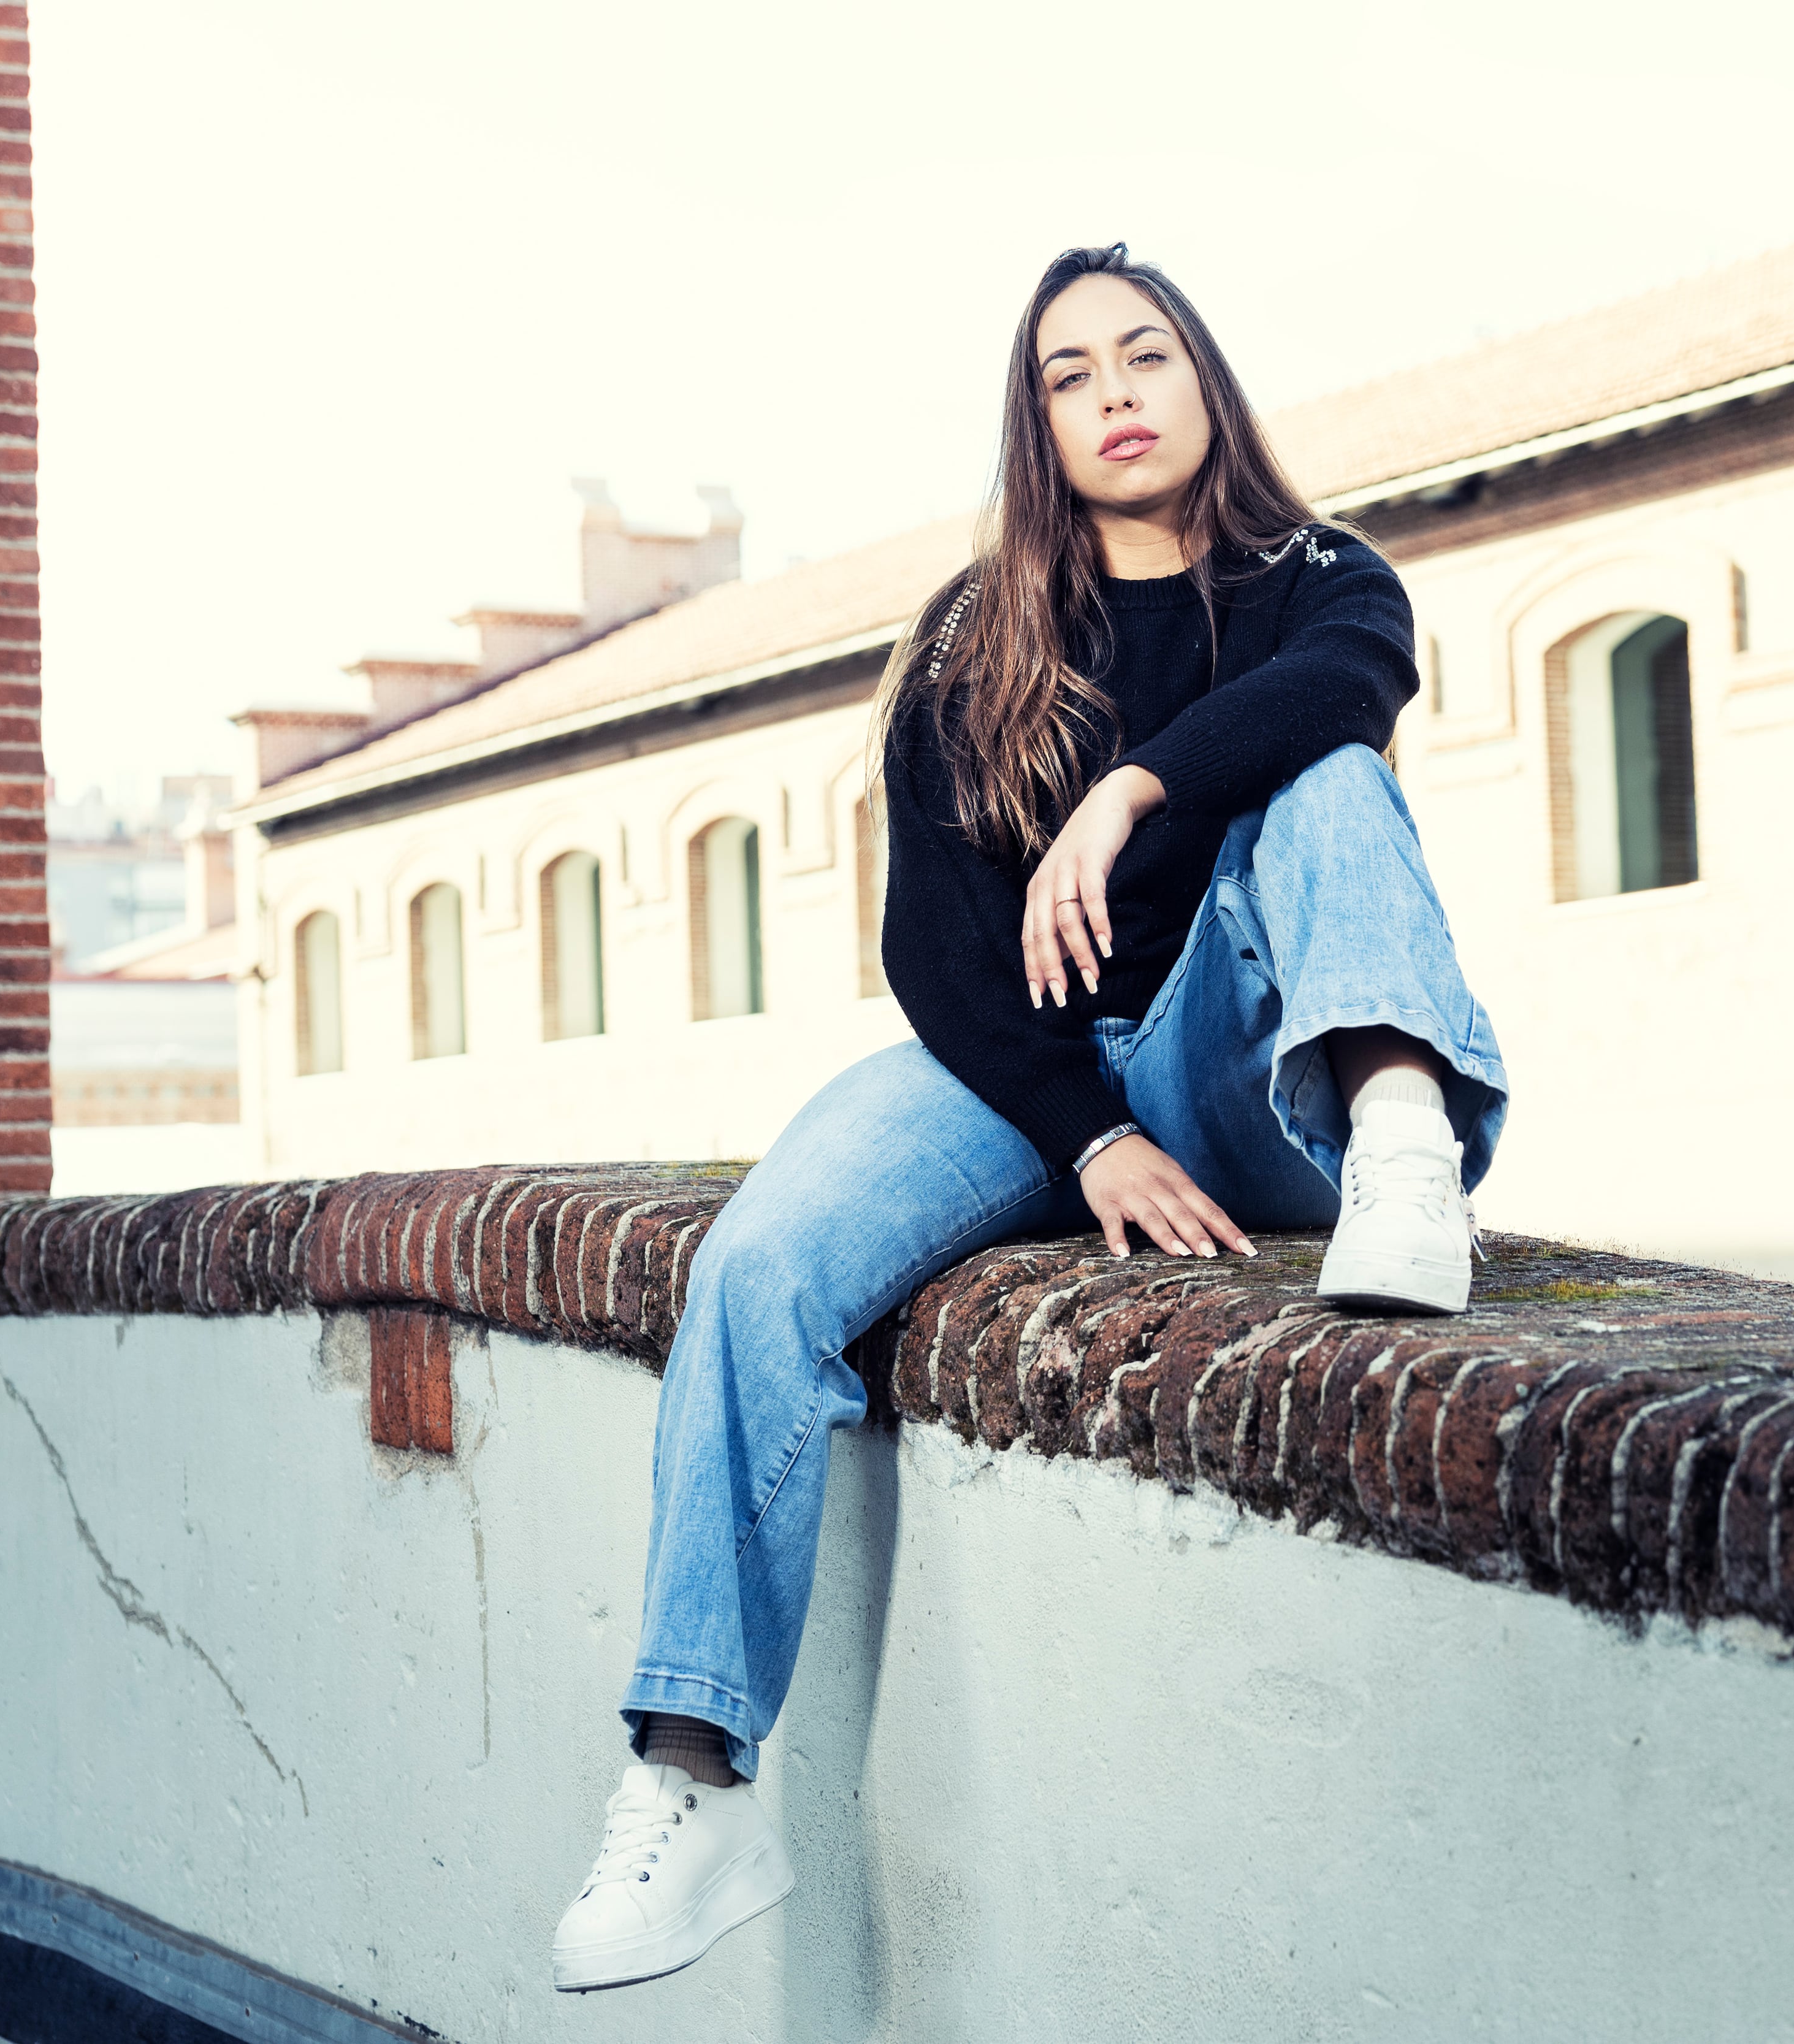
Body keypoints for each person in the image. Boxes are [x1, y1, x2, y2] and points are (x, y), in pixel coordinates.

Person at [549, 243, 1509, 1993]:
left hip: (1246, 1055)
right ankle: (695, 1779)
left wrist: (1134, 790)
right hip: (1036, 1084)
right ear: (1037, 423)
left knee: (1334, 779)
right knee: (759, 1263)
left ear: (1205, 382)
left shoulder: (1320, 581)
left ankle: (1406, 1147)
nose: (1117, 392)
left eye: (1147, 356)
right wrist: (1086, 1136)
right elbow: (937, 948)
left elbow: (1340, 694)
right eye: (1072, 374)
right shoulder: (974, 640)